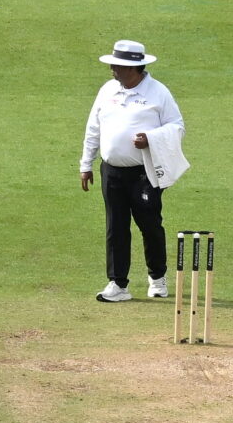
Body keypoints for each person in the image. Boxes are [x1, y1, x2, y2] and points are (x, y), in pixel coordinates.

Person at [79, 40, 184, 304]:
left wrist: (150, 138)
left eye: (118, 66)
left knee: (150, 225)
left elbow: (177, 127)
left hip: (144, 173)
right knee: (115, 227)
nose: (113, 69)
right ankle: (118, 284)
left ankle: (157, 277)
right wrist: (86, 164)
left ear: (134, 68)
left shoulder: (158, 92)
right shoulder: (107, 90)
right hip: (111, 171)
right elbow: (94, 128)